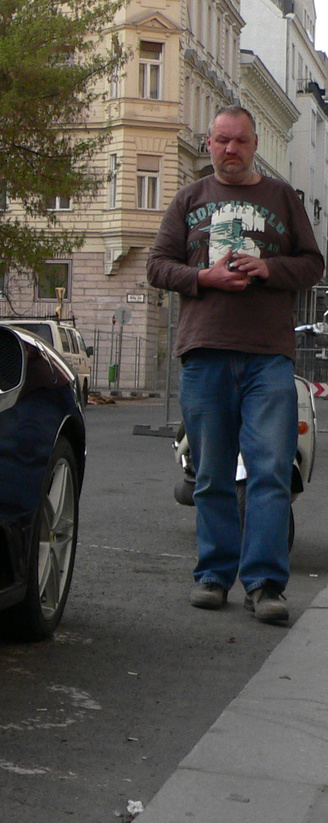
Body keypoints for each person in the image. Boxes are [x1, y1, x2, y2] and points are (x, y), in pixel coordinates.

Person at [147, 105, 323, 624]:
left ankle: (265, 583)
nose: (231, 150)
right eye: (222, 140)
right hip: (204, 352)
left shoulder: (282, 198)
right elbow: (158, 265)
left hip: (268, 356)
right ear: (209, 143)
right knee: (211, 474)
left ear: (252, 145)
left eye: (241, 141)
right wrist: (205, 280)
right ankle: (213, 575)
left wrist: (268, 267)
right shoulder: (189, 199)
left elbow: (313, 265)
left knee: (270, 471)